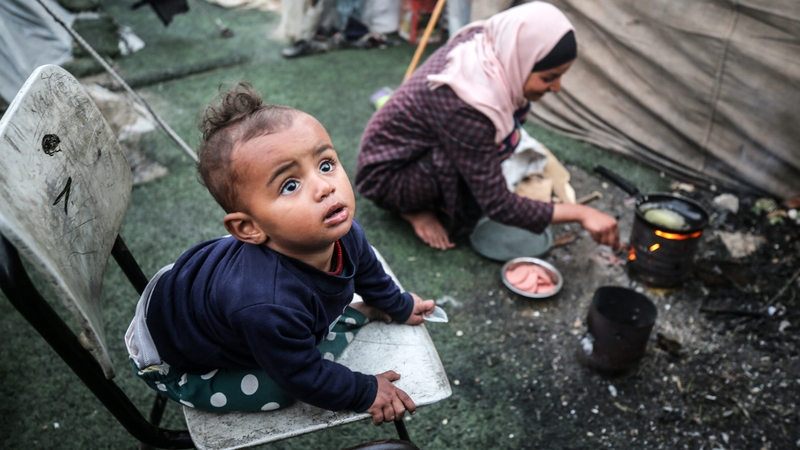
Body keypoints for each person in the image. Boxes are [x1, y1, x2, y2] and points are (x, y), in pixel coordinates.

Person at [124, 83, 435, 425]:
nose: (324, 187)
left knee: (290, 343)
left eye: (326, 164)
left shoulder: (343, 232)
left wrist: (398, 304)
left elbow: (370, 273)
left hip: (192, 290)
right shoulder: (267, 303)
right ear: (248, 229)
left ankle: (334, 324)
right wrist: (364, 390)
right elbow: (302, 377)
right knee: (283, 389)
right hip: (169, 356)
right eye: (290, 185)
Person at [355, 2, 620, 251]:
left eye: (561, 76)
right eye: (549, 77)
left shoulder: (492, 42)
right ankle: (412, 209)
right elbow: (499, 205)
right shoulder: (466, 105)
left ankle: (439, 195)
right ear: (521, 61)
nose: (557, 87)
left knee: (488, 147)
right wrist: (582, 213)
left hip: (415, 148)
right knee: (473, 168)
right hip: (385, 177)